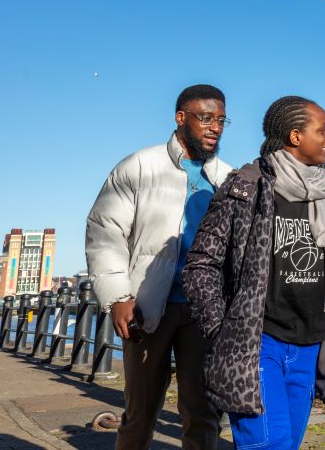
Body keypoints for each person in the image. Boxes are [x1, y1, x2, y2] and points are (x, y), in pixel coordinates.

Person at [183, 96, 325, 450]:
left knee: (287, 444)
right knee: (268, 445)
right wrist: (222, 330)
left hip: (309, 343)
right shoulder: (246, 186)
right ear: (295, 136)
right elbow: (201, 263)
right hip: (258, 343)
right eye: (320, 131)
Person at [85, 84, 233, 450]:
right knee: (140, 412)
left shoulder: (230, 179)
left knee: (203, 413)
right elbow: (106, 231)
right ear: (180, 118)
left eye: (221, 120)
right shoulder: (139, 166)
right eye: (205, 118)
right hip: (147, 306)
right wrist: (118, 295)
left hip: (204, 311)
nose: (214, 127)